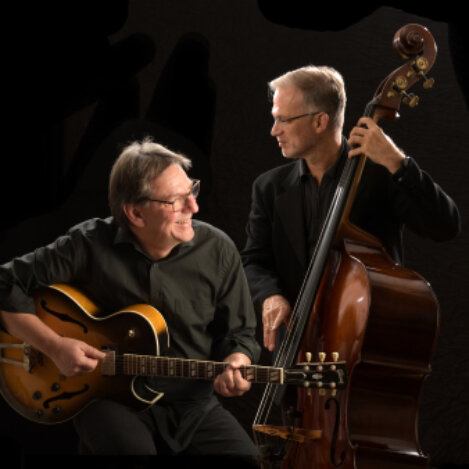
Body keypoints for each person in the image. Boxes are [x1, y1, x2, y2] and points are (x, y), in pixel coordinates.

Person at [0, 138, 261, 458]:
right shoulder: (86, 244)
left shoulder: (218, 250)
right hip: (107, 400)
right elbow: (4, 283)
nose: (193, 207)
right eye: (176, 200)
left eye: (191, 190)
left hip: (193, 407)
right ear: (136, 213)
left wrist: (238, 361)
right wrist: (54, 346)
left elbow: (240, 334)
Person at [241, 65, 461, 352]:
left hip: (364, 346)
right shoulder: (269, 188)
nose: (274, 130)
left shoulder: (382, 175)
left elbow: (445, 226)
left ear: (320, 121)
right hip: (296, 348)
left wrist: (397, 163)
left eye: (283, 119)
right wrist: (270, 295)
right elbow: (254, 260)